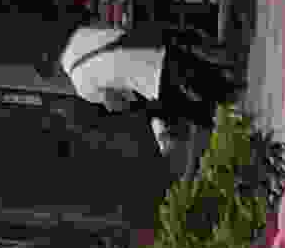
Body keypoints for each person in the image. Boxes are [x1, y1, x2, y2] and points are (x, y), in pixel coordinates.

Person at [58, 12, 237, 154]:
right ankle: (231, 90)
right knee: (211, 81)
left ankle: (231, 124)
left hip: (151, 85)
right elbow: (115, 31)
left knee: (201, 113)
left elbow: (115, 101)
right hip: (154, 49)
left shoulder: (80, 85)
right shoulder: (82, 32)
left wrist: (124, 102)